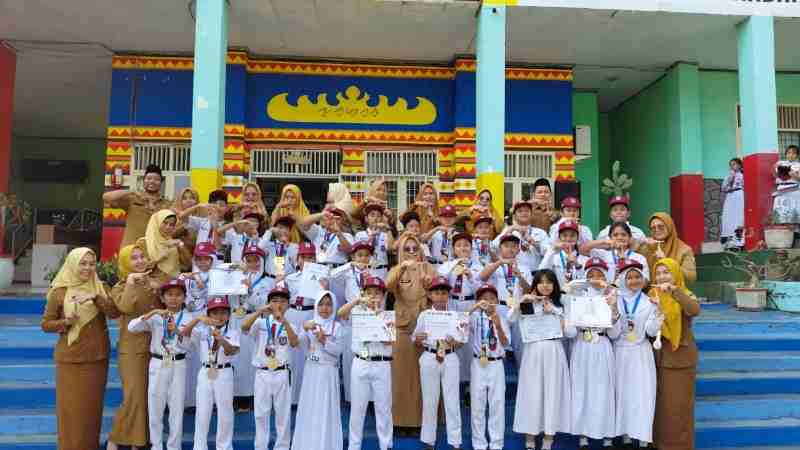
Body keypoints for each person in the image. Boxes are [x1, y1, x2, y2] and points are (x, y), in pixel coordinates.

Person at [41, 247, 120, 450]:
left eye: (92, 264)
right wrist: (65, 322)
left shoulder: (100, 287)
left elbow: (114, 313)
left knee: (91, 411)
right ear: (72, 264)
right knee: (70, 410)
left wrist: (96, 297)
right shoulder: (59, 291)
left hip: (96, 359)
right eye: (82, 263)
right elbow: (46, 324)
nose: (87, 268)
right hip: (70, 359)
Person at [108, 238, 171, 450]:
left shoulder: (155, 281)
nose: (139, 260)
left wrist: (156, 285)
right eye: (133, 258)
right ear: (125, 263)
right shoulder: (119, 287)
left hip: (157, 348)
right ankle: (114, 440)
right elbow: (125, 307)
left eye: (142, 256)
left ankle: (138, 442)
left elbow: (172, 297)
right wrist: (130, 282)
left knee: (148, 397)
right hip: (132, 350)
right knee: (134, 396)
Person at [126, 279, 190, 450]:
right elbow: (132, 327)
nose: (174, 298)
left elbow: (189, 345)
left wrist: (178, 331)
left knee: (176, 408)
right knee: (155, 406)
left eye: (178, 295)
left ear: (184, 297)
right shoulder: (155, 317)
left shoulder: (189, 318)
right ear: (162, 298)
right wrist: (152, 312)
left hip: (178, 363)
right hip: (158, 362)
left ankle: (174, 447)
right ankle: (156, 445)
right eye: (169, 294)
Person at [511, 270, 571, 450]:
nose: (545, 285)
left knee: (553, 392)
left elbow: (570, 332)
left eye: (549, 282)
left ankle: (548, 437)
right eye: (541, 282)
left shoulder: (561, 304)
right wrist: (521, 302)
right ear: (535, 284)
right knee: (532, 392)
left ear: (554, 285)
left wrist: (555, 312)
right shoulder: (528, 303)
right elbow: (510, 318)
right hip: (533, 351)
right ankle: (530, 436)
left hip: (554, 351)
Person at [608, 259, 664, 449]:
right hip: (620, 353)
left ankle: (642, 438)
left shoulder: (649, 301)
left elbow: (650, 331)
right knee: (622, 395)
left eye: (637, 277)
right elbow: (613, 334)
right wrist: (613, 310)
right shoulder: (615, 300)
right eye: (629, 277)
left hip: (641, 353)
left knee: (642, 394)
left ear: (643, 279)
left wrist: (658, 311)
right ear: (623, 280)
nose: (634, 281)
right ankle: (625, 436)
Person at [564, 257, 618, 450]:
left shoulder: (611, 296)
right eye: (591, 275)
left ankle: (607, 435)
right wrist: (568, 312)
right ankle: (583, 435)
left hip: (602, 345)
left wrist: (613, 308)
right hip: (582, 345)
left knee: (603, 389)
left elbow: (615, 334)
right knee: (582, 389)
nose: (595, 279)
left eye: (599, 275)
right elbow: (570, 333)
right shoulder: (577, 297)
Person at [337, 275, 395, 450]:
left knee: (383, 408)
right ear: (364, 294)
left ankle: (386, 445)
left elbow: (388, 342)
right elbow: (340, 314)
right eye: (369, 293)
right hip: (361, 361)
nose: (373, 297)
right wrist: (357, 300)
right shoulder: (357, 312)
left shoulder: (387, 316)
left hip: (382, 363)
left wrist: (378, 322)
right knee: (358, 408)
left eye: (377, 293)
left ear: (383, 296)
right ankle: (354, 446)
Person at [386, 234, 437, 432]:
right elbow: (388, 286)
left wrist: (426, 280)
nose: (411, 252)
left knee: (422, 376)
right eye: (407, 249)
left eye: (415, 249)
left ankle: (422, 422)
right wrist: (402, 267)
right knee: (400, 374)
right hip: (402, 325)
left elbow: (437, 292)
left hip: (425, 327)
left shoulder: (429, 268)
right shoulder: (396, 269)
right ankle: (399, 421)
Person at [241, 285, 299, 450]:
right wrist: (260, 311)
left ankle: (282, 446)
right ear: (268, 303)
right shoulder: (260, 322)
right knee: (261, 414)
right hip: (263, 372)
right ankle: (261, 446)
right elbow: (244, 327)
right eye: (274, 301)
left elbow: (295, 343)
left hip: (282, 372)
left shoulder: (291, 325)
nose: (278, 304)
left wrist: (284, 321)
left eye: (282, 301)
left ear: (288, 305)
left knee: (283, 414)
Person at [651, 258, 701, 450]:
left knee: (678, 409)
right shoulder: (652, 294)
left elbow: (694, 310)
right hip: (656, 359)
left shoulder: (684, 293)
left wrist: (674, 291)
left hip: (680, 360)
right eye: (658, 273)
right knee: (661, 410)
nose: (662, 276)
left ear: (676, 274)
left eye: (667, 272)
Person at [412, 276, 467, 450]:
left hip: (449, 356)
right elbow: (416, 339)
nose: (441, 296)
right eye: (437, 292)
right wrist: (418, 338)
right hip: (430, 355)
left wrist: (454, 342)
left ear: (448, 295)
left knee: (452, 400)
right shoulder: (425, 315)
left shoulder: (455, 315)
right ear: (430, 295)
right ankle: (429, 440)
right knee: (430, 400)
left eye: (444, 293)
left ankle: (455, 441)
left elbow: (461, 342)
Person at [181, 296, 241, 450]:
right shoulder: (201, 331)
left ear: (228, 315)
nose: (219, 316)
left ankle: (224, 447)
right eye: (215, 313)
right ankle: (199, 447)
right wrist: (197, 319)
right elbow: (183, 334)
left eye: (223, 312)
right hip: (206, 371)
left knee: (225, 412)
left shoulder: (233, 332)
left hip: (224, 371)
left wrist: (221, 340)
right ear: (208, 315)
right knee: (202, 411)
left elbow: (231, 351)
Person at [292, 290, 344, 450]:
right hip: (311, 371)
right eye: (321, 304)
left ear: (333, 306)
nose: (324, 308)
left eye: (328, 304)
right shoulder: (310, 323)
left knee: (326, 409)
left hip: (328, 372)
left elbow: (339, 351)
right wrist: (303, 329)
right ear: (316, 306)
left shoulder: (337, 326)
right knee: (310, 408)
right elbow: (298, 344)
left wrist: (324, 341)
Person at [466, 284, 510, 450]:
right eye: (483, 299)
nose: (488, 301)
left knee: (497, 405)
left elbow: (505, 343)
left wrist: (497, 326)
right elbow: (459, 321)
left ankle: (496, 443)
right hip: (478, 363)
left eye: (492, 298)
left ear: (497, 301)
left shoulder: (502, 318)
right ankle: (479, 444)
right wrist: (474, 308)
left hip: (496, 363)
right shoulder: (474, 318)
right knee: (477, 405)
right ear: (478, 301)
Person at [103, 164, 173, 248]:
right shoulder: (132, 199)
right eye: (149, 178)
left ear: (161, 182)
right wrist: (132, 191)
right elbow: (106, 197)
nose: (152, 181)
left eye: (156, 179)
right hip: (131, 249)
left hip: (154, 250)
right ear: (143, 180)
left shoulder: (167, 204)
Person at [581, 221, 650, 284]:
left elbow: (646, 281)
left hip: (631, 292)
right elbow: (583, 250)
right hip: (607, 292)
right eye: (615, 235)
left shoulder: (639, 258)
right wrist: (604, 241)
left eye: (623, 235)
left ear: (629, 237)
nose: (619, 237)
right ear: (610, 237)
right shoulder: (604, 254)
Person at [639, 212, 698, 283]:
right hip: (652, 289)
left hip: (675, 289)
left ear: (669, 226)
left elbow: (691, 277)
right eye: (653, 228)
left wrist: (666, 261)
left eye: (660, 226)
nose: (657, 230)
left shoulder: (684, 249)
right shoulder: (645, 247)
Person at [494, 201, 550, 273]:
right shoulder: (508, 231)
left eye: (527, 211)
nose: (524, 213)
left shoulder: (540, 232)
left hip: (536, 273)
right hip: (514, 273)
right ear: (514, 216)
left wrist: (534, 243)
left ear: (531, 214)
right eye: (520, 211)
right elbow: (494, 247)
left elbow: (548, 252)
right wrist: (510, 229)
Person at [540, 220, 588, 287]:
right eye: (564, 235)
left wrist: (577, 265)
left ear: (577, 238)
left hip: (577, 293)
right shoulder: (553, 256)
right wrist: (552, 249)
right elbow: (542, 272)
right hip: (558, 292)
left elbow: (586, 284)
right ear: (559, 238)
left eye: (572, 235)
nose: (568, 239)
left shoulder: (585, 259)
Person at [354, 202, 394, 279]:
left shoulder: (385, 234)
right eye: (372, 215)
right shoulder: (360, 235)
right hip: (367, 270)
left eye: (378, 216)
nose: (375, 218)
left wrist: (388, 230)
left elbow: (390, 248)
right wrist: (372, 236)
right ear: (366, 219)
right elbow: (360, 252)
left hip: (382, 270)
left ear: (381, 219)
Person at [721, 158, 745, 249]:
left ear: (739, 165)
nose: (732, 166)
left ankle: (739, 241)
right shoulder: (728, 176)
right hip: (730, 197)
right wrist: (730, 178)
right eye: (731, 165)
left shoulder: (743, 175)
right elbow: (723, 188)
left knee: (739, 217)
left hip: (740, 196)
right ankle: (729, 240)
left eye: (734, 164)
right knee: (729, 217)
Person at [773, 144, 800, 224]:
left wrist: (794, 175)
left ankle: (795, 229)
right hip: (781, 191)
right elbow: (775, 175)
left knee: (793, 213)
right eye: (789, 153)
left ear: (797, 155)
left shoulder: (798, 165)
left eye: (793, 153)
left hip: (793, 191)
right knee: (781, 214)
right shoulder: (780, 163)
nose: (791, 155)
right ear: (786, 154)